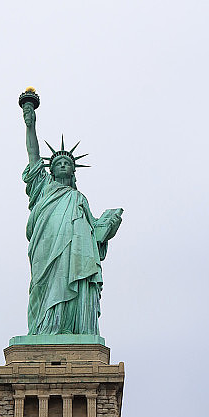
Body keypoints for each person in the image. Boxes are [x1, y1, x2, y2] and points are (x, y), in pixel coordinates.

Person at [21, 99, 122, 336]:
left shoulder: (79, 198)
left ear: (74, 171)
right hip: (46, 248)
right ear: (51, 169)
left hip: (75, 252)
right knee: (44, 286)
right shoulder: (43, 187)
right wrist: (30, 125)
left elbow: (94, 231)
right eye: (58, 163)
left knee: (73, 280)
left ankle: (70, 326)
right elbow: (33, 155)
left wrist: (109, 225)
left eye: (67, 163)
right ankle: (45, 329)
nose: (63, 165)